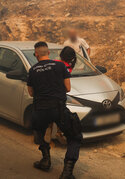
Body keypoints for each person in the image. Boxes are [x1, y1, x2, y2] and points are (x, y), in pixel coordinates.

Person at [27, 42, 82, 179]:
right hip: (58, 109)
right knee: (75, 136)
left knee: (39, 131)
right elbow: (68, 88)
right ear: (49, 53)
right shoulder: (60, 66)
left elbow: (31, 93)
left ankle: (45, 160)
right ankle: (67, 172)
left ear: (36, 55)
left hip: (40, 110)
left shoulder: (32, 70)